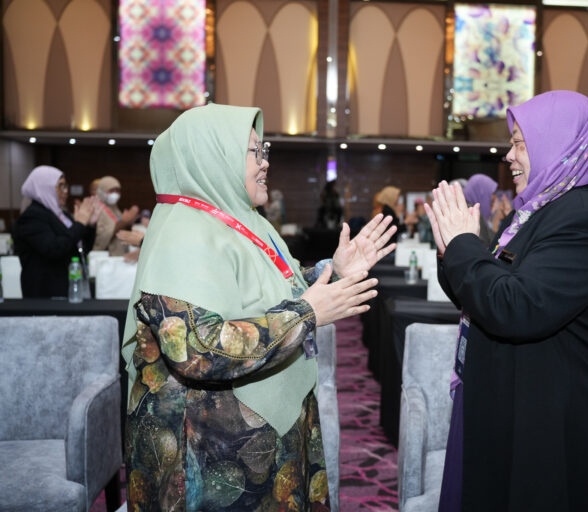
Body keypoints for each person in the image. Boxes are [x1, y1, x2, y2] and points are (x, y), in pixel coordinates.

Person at [122, 103, 396, 511]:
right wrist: (304, 315)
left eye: (263, 150)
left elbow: (277, 287)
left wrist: (332, 271)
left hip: (246, 440)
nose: (265, 162)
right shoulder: (182, 233)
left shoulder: (243, 221)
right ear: (213, 155)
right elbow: (196, 350)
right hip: (208, 455)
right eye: (254, 151)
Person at [425, 90, 588, 511]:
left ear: (556, 143)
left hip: (552, 422)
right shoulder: (535, 211)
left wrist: (463, 245)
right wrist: (450, 251)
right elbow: (484, 290)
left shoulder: (583, 216)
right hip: (518, 402)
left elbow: (516, 307)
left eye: (519, 143)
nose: (508, 155)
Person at [12, 165, 99, 297]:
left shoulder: (62, 215)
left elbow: (81, 248)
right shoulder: (32, 216)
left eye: (66, 186)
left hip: (69, 287)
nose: (66, 191)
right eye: (60, 186)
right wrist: (80, 224)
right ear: (44, 187)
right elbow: (54, 249)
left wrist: (89, 226)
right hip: (45, 292)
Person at [93, 176, 140, 256]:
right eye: (111, 190)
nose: (115, 194)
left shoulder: (114, 208)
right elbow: (101, 236)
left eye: (117, 190)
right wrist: (124, 221)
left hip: (119, 254)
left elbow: (119, 225)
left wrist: (129, 222)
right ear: (102, 191)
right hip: (105, 256)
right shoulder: (97, 208)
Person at [462, 174, 497, 245]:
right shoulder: (473, 213)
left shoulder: (465, 209)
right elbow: (488, 245)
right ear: (481, 193)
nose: (494, 196)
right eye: (492, 193)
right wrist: (497, 220)